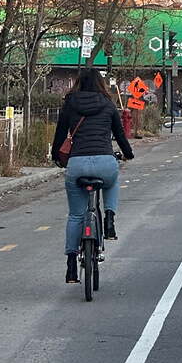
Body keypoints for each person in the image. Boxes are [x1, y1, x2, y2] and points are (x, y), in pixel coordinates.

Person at [51, 67, 134, 285]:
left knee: (76, 216)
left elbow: (60, 134)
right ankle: (109, 218)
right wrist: (128, 153)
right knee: (112, 180)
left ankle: (71, 265)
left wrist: (56, 158)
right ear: (100, 84)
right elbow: (119, 134)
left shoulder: (70, 104)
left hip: (77, 163)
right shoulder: (107, 104)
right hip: (105, 161)